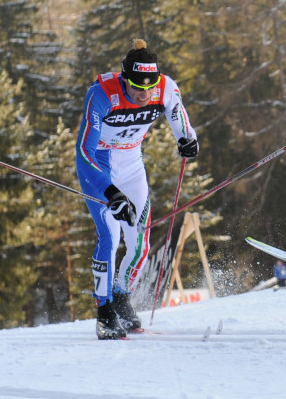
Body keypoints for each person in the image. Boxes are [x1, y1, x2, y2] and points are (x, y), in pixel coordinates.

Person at [76, 38, 199, 340]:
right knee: (111, 235)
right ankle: (104, 312)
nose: (144, 95)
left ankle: (121, 296)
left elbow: (176, 111)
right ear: (124, 79)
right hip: (99, 166)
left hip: (131, 162)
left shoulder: (164, 87)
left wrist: (187, 137)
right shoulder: (102, 95)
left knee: (140, 243)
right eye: (136, 88)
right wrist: (110, 193)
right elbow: (84, 153)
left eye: (149, 88)